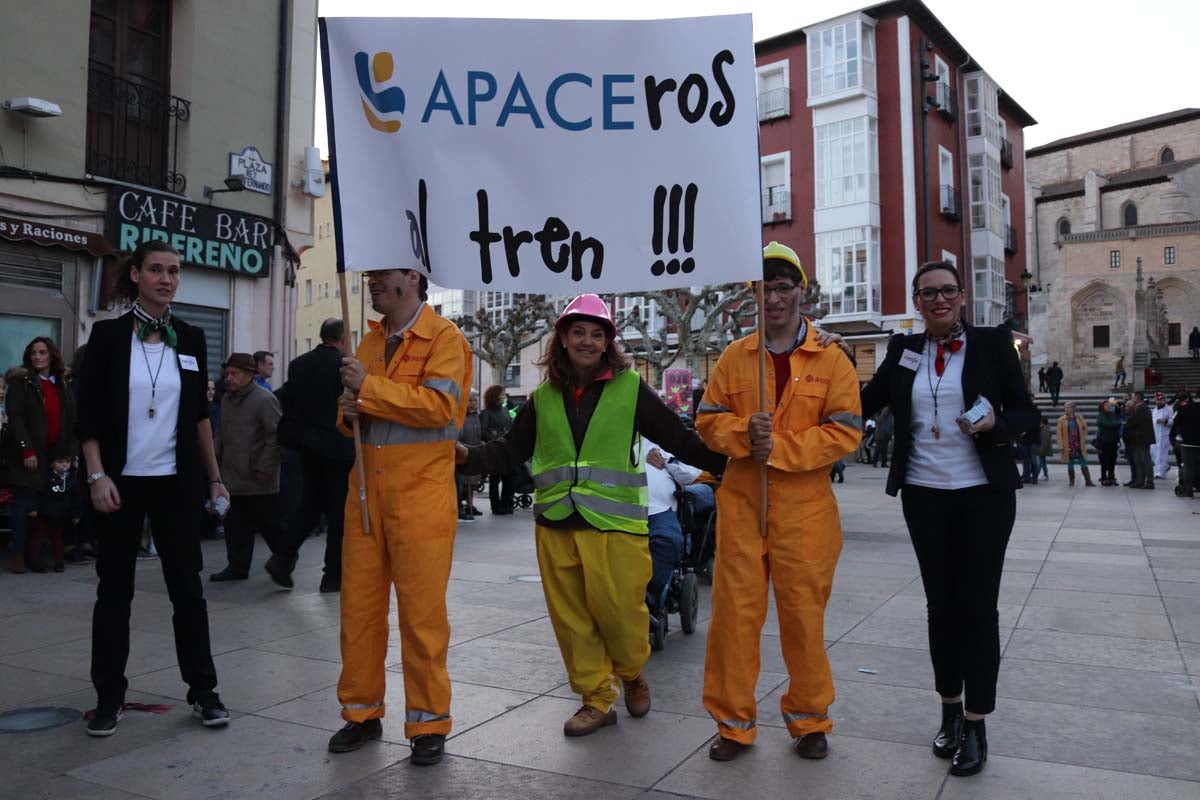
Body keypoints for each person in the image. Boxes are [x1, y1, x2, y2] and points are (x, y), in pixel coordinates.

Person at [457, 294, 724, 738]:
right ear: (562, 338)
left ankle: (632, 671)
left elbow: (680, 437)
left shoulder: (630, 389)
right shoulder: (542, 398)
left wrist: (730, 463)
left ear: (607, 344)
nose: (586, 341)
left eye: (596, 334)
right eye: (578, 332)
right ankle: (596, 699)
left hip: (616, 528)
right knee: (573, 621)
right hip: (557, 525)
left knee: (621, 616)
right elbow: (509, 451)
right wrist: (466, 455)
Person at [859, 260, 1036, 777]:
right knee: (941, 606)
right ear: (916, 302)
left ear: (962, 297)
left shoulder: (991, 345)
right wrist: (824, 360)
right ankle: (950, 711)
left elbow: (1028, 415)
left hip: (984, 494)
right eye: (927, 293)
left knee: (979, 608)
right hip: (924, 495)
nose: (938, 300)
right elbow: (862, 401)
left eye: (947, 291)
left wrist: (996, 423)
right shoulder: (904, 350)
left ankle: (978, 725)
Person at [698, 242, 861, 763]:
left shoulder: (831, 359)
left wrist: (782, 449)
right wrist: (745, 433)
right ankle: (732, 723)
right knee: (734, 619)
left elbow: (846, 431)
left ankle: (810, 719)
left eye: (784, 287)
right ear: (754, 294)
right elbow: (706, 421)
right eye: (765, 288)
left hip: (806, 511)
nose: (775, 298)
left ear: (800, 291)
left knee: (802, 618)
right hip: (743, 506)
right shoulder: (733, 357)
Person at [77, 240, 230, 736]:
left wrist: (214, 477)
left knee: (188, 591)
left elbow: (199, 417)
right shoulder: (107, 337)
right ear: (137, 275)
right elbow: (89, 416)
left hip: (175, 484)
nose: (167, 279)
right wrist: (97, 475)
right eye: (157, 270)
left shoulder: (188, 337)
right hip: (119, 485)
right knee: (114, 592)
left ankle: (204, 691)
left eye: (174, 271)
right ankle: (109, 696)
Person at [328, 267, 471, 766]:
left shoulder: (446, 339)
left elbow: (440, 407)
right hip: (366, 497)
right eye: (368, 273)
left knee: (422, 618)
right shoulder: (368, 343)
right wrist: (348, 408)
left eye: (380, 273)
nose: (370, 281)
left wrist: (367, 389)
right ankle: (361, 712)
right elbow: (352, 420)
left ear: (410, 277)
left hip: (421, 501)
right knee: (359, 613)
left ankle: (429, 722)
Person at [272, 318, 355, 592]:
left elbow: (287, 399)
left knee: (310, 504)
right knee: (338, 514)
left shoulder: (299, 364)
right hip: (338, 445)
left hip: (306, 445)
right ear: (342, 338)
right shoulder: (344, 366)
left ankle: (283, 557)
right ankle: (333, 575)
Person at [2, 337, 77, 573]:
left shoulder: (61, 383)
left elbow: (69, 419)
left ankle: (38, 555)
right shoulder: (21, 382)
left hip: (53, 455)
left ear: (51, 355)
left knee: (47, 507)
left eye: (42, 352)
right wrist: (26, 450)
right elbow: (15, 418)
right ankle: (18, 554)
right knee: (25, 507)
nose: (37, 357)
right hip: (28, 455)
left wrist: (69, 453)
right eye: (33, 352)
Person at [210, 352, 286, 584]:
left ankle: (284, 561)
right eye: (227, 374)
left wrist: (265, 468)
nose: (229, 378)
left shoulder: (264, 400)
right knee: (235, 525)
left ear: (250, 375)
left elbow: (276, 436)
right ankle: (237, 566)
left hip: (259, 478)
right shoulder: (226, 400)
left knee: (270, 525)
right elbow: (221, 433)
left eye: (234, 374)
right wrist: (214, 462)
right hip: (232, 476)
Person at [640, 436, 702, 619]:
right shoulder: (617, 434)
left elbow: (691, 473)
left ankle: (646, 599)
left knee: (667, 541)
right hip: (621, 511)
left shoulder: (665, 436)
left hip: (660, 511)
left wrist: (665, 458)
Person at [480, 385, 516, 515]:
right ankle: (496, 506)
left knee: (509, 477)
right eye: (501, 394)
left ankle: (507, 503)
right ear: (495, 396)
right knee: (495, 478)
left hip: (507, 447)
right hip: (495, 448)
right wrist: (494, 440)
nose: (503, 396)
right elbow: (483, 431)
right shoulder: (486, 413)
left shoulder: (505, 410)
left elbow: (511, 427)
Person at [456, 391, 482, 522]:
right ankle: (461, 507)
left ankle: (470, 505)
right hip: (463, 449)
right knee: (463, 483)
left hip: (475, 449)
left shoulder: (476, 416)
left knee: (473, 482)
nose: (473, 403)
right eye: (471, 401)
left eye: (475, 401)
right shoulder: (461, 416)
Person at [1055, 402, 1094, 487]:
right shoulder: (1061, 420)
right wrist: (1061, 446)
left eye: (1068, 407)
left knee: (1083, 462)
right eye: (1065, 407)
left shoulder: (1079, 418)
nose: (1066, 409)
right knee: (1070, 463)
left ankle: (1088, 481)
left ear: (1073, 409)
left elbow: (1085, 428)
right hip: (1068, 445)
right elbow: (1059, 434)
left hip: (1078, 444)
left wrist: (1082, 439)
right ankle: (1071, 480)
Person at [1170, 391, 1200, 495]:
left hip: (1187, 442)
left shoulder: (1184, 408)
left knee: (1188, 467)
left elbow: (1175, 423)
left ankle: (1188, 490)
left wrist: (1175, 438)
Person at [1124, 392, 1155, 489]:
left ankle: (1149, 481)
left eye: (1133, 398)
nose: (1132, 400)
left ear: (1137, 398)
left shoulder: (1141, 408)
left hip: (1142, 439)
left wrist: (1128, 420)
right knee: (1138, 460)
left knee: (1145, 460)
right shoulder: (1139, 408)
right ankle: (1140, 480)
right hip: (1138, 439)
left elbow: (1131, 421)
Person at [1095, 400, 1121, 486]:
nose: (1108, 406)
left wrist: (1115, 424)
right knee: (1104, 461)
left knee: (1112, 460)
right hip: (1104, 441)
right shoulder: (1100, 415)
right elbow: (1107, 424)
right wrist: (1115, 424)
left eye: (1109, 405)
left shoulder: (1112, 414)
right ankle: (1103, 477)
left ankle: (1111, 477)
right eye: (1106, 405)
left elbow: (1117, 423)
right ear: (1102, 407)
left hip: (1113, 440)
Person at [1151, 392, 1175, 481]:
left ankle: (1159, 473)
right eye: (1158, 400)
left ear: (1164, 400)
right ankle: (1165, 467)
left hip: (1164, 435)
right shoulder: (1154, 410)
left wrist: (1165, 422)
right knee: (1153, 452)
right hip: (1155, 435)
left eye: (1161, 400)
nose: (1160, 401)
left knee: (1161, 454)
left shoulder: (1168, 409)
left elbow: (1173, 421)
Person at [1037, 415, 1053, 481]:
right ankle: (1045, 474)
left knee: (1040, 463)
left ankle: (1036, 475)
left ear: (1042, 422)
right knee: (1043, 462)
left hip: (1043, 449)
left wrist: (1041, 450)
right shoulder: (1044, 429)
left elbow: (1045, 442)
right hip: (1043, 449)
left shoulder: (1045, 430)